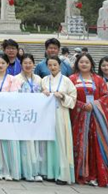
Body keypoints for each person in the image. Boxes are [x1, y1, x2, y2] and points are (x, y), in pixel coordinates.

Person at [70, 53, 108, 187]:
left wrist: (94, 105)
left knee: (95, 145)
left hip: (95, 118)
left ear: (91, 64)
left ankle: (95, 174)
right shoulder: (72, 79)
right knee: (79, 143)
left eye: (87, 62)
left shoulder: (98, 79)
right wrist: (81, 105)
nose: (84, 64)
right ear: (77, 64)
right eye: (81, 62)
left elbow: (105, 96)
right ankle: (81, 173)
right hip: (79, 117)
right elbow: (69, 96)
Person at [40, 56, 76, 185]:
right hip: (47, 116)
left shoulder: (66, 80)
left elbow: (73, 99)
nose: (52, 67)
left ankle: (63, 174)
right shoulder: (44, 80)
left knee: (61, 142)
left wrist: (62, 96)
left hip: (61, 113)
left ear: (59, 65)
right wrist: (43, 93)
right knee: (49, 143)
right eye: (50, 65)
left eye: (55, 65)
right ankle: (50, 172)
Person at [14, 53, 45, 182]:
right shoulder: (16, 79)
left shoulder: (38, 79)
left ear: (33, 64)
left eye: (30, 63)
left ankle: (36, 170)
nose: (27, 65)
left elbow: (43, 93)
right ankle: (25, 171)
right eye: (25, 63)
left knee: (36, 144)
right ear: (21, 64)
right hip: (22, 116)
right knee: (25, 144)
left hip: (36, 116)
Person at [0, 54, 21, 181]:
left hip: (8, 114)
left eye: (3, 63)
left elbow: (14, 96)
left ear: (8, 64)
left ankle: (9, 170)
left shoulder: (13, 79)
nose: (0, 65)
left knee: (9, 142)